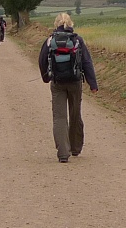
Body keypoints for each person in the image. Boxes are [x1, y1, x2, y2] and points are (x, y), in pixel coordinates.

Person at [37, 12, 98, 163]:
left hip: (57, 83)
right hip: (75, 81)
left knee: (59, 117)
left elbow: (42, 60)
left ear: (55, 24)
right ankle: (75, 148)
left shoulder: (50, 40)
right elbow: (87, 63)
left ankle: (63, 153)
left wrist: (46, 77)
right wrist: (93, 84)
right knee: (75, 114)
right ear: (71, 24)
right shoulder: (77, 40)